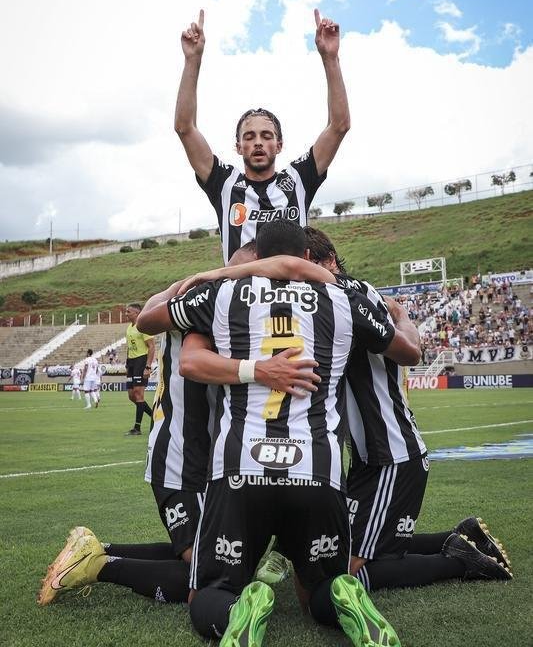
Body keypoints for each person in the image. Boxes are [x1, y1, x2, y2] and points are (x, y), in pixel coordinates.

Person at [138, 220, 421, 646]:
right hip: (317, 468)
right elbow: (407, 351)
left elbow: (149, 321)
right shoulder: (345, 297)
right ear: (306, 255)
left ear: (257, 256)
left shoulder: (222, 293)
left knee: (208, 592)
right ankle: (344, 597)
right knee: (319, 589)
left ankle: (235, 609)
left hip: (240, 468)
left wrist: (216, 274)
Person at [37, 244, 337, 609]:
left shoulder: (216, 299)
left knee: (215, 556)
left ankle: (98, 550)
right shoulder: (219, 301)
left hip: (200, 453)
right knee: (204, 576)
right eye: (255, 271)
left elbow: (151, 313)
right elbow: (172, 345)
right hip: (180, 457)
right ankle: (100, 566)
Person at [303, 225, 512, 595]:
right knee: (344, 547)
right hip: (371, 455)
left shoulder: (343, 295)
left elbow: (411, 352)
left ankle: (460, 562)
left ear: (329, 260)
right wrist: (401, 315)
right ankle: (456, 537)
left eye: (303, 265)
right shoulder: (352, 295)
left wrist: (403, 317)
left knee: (346, 575)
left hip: (391, 454)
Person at [175, 8, 350, 264]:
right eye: (249, 136)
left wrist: (330, 58)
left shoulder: (298, 180)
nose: (258, 142)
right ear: (238, 146)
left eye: (266, 135)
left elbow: (339, 126)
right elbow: (185, 128)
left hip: (293, 288)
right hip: (240, 288)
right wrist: (192, 60)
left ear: (279, 145)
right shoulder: (224, 183)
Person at [124, 303, 155, 435]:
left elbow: (151, 346)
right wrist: (127, 365)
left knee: (138, 394)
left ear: (137, 313)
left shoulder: (143, 327)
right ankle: (155, 417)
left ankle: (137, 428)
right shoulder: (129, 328)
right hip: (131, 362)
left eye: (128, 312)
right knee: (132, 396)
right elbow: (129, 347)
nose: (126, 314)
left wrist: (148, 366)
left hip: (141, 361)